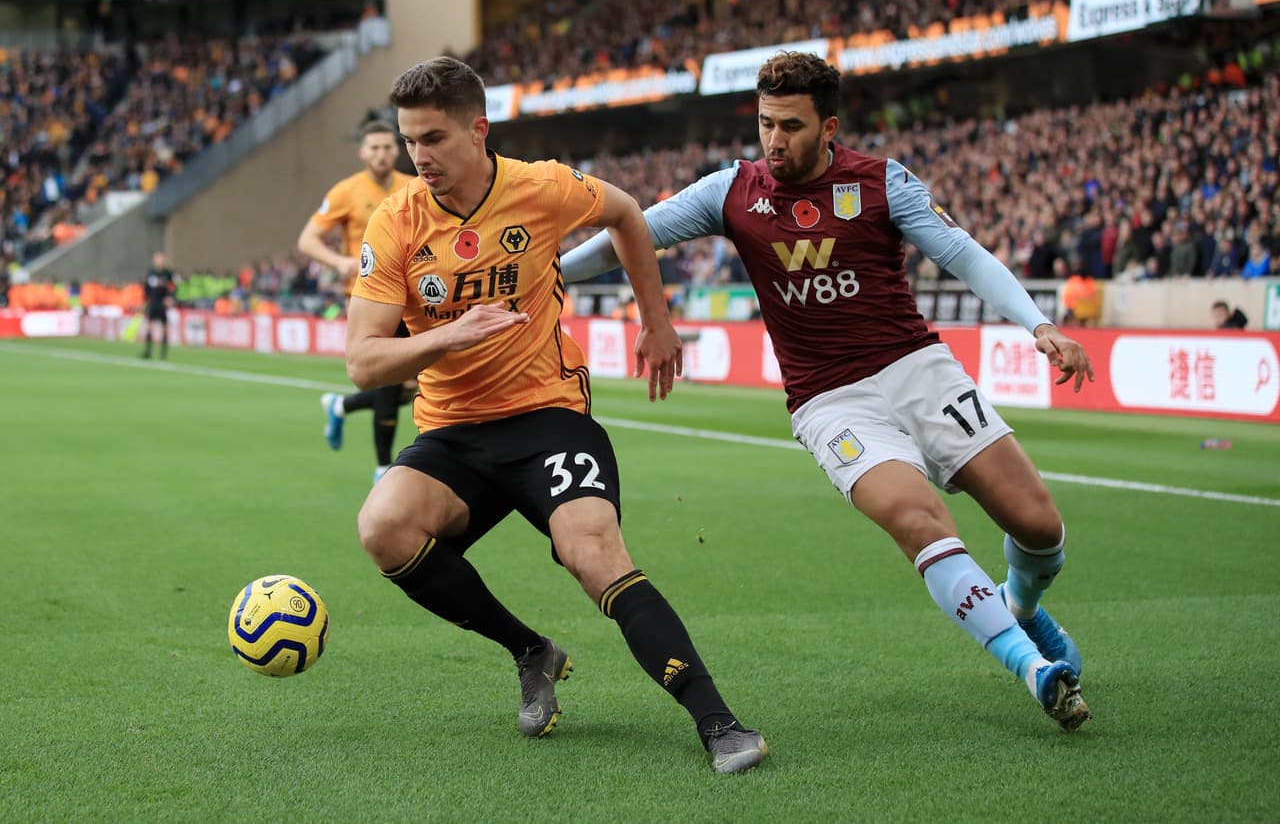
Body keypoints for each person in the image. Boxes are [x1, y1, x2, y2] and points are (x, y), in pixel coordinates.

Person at [562, 51, 1095, 732]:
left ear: (829, 127)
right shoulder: (730, 191)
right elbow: (629, 233)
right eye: (765, 124)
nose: (774, 140)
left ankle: (1020, 607)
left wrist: (1039, 324)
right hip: (829, 399)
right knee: (918, 519)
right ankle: (1032, 667)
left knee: (1040, 526)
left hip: (917, 369)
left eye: (791, 126)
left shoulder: (881, 183)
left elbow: (961, 252)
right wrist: (547, 273)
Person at [345, 56, 766, 774]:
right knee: (382, 527)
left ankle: (718, 720)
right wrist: (450, 335)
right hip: (452, 431)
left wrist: (655, 320)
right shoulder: (396, 221)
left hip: (547, 416)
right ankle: (530, 649)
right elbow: (362, 360)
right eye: (411, 141)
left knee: (592, 554)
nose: (420, 157)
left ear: (478, 131)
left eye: (434, 139)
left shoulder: (539, 188)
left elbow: (626, 213)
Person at [297, 119, 418, 482]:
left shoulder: (413, 186)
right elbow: (307, 240)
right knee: (390, 379)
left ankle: (342, 405)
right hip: (368, 297)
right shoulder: (345, 192)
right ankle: (383, 468)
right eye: (374, 148)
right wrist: (338, 262)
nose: (382, 154)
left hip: (411, 295)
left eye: (387, 147)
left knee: (412, 387)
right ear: (363, 153)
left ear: (397, 149)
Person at [140, 251, 175, 359]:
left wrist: (170, 298)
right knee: (149, 327)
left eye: (161, 260)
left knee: (164, 328)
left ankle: (163, 354)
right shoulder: (151, 273)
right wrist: (145, 302)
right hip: (153, 303)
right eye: (158, 260)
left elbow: (174, 287)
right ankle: (148, 351)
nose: (160, 262)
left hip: (162, 304)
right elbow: (146, 289)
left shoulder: (168, 273)